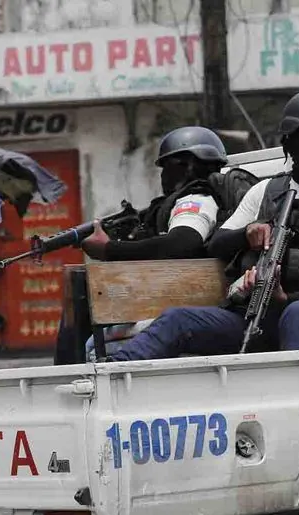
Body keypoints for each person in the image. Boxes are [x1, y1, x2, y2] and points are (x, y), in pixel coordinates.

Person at [98, 90, 299, 362]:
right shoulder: (265, 191)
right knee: (177, 319)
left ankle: (295, 395)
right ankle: (116, 372)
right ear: (294, 141)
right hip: (255, 316)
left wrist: (285, 298)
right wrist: (247, 233)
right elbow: (217, 244)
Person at [50, 126, 230, 364]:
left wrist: (109, 249)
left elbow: (182, 243)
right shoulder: (176, 203)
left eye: (167, 167)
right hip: (164, 302)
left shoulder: (197, 199)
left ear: (187, 165)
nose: (163, 175)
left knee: (87, 313)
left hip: (177, 307)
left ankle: (66, 377)